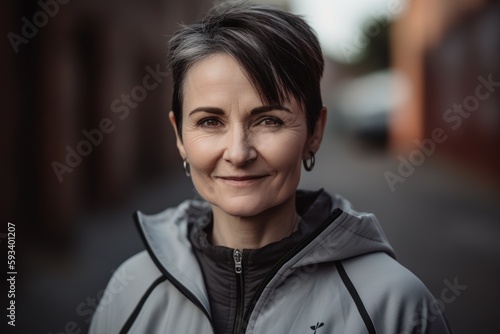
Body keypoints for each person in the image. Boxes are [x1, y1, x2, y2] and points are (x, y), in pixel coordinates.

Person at [89, 2, 451, 333]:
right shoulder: (131, 290)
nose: (238, 152)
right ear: (180, 136)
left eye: (268, 121)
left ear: (315, 131)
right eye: (210, 122)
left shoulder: (394, 306)